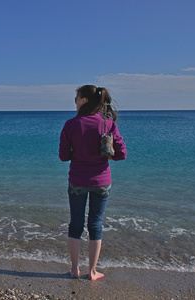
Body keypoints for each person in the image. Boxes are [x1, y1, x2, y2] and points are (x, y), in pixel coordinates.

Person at [59, 85, 127, 280]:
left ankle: (74, 270)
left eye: (77, 98)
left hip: (77, 181)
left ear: (84, 101)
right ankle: (92, 272)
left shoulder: (70, 125)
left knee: (76, 224)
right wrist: (103, 156)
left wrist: (78, 154)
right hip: (102, 182)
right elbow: (121, 154)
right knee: (95, 224)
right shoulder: (108, 125)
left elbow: (63, 156)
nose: (75, 101)